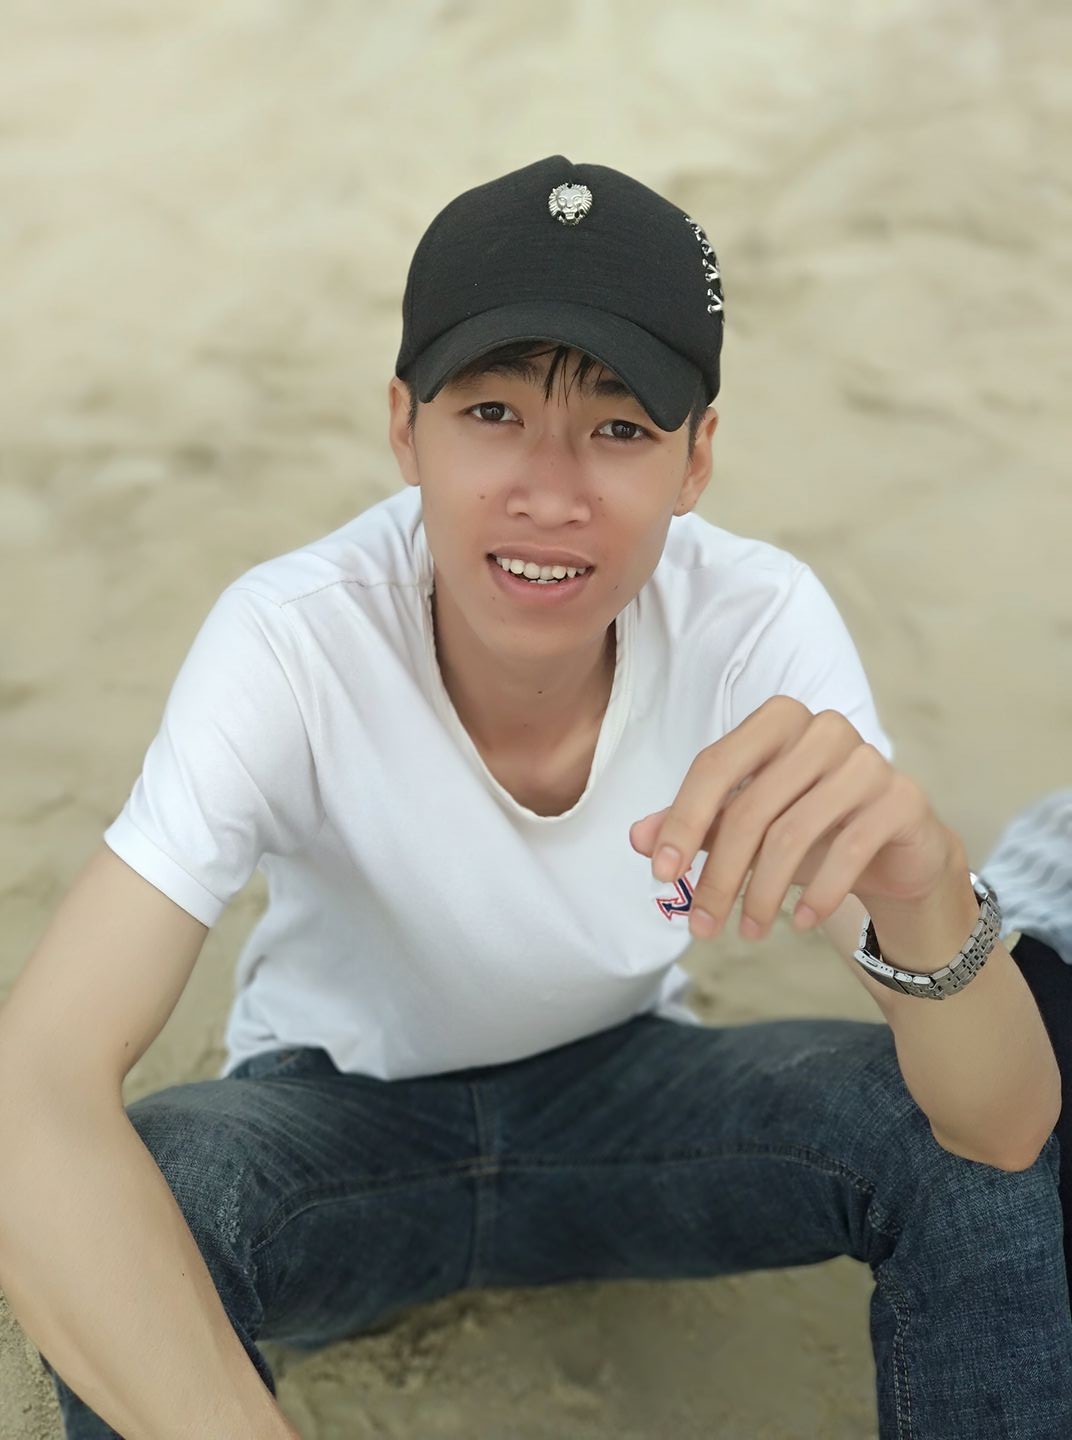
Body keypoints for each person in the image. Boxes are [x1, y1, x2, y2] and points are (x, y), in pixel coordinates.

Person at [6, 155, 1070, 1439]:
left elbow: (1004, 1127)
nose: (550, 492)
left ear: (695, 459)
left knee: (945, 1141)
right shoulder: (292, 641)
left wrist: (924, 888)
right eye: (492, 412)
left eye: (620, 430)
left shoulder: (753, 629)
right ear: (403, 427)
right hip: (334, 1131)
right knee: (152, 1190)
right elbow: (34, 1090)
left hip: (633, 1103)